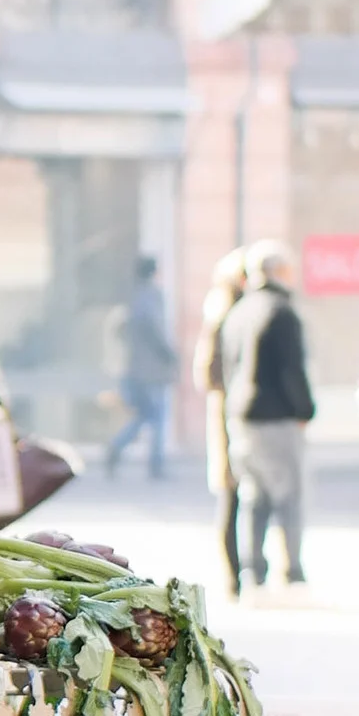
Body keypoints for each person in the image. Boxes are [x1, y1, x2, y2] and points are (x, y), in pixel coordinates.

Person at [217, 241, 316, 586]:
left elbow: (227, 367)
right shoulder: (282, 311)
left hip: (241, 416)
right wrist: (305, 410)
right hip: (276, 417)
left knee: (253, 497)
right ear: (281, 273)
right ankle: (293, 570)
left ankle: (253, 568)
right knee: (289, 496)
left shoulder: (239, 311)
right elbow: (292, 370)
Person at [193, 248, 251, 598]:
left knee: (237, 496)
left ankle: (242, 573)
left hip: (233, 410)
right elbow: (208, 373)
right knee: (233, 495)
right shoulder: (224, 313)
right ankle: (236, 574)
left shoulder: (228, 311)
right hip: (229, 413)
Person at [105, 254, 176, 479]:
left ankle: (117, 446)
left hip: (136, 367)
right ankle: (155, 463)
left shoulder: (132, 296)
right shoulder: (150, 296)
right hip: (152, 369)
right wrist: (169, 353)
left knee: (146, 415)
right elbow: (155, 329)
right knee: (157, 417)